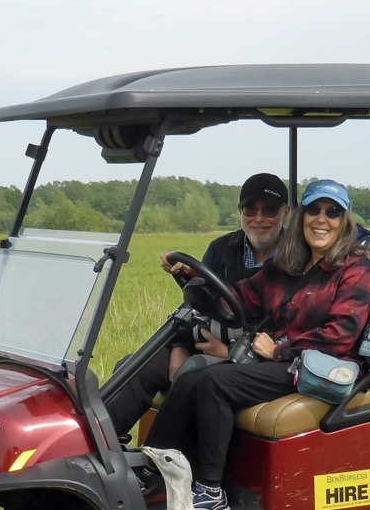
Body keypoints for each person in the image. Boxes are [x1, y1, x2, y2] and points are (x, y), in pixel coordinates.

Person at [144, 179, 370, 510]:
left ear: (344, 222)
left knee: (215, 382)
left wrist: (279, 349)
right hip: (286, 362)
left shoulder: (355, 267)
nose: (321, 219)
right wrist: (194, 276)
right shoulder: (290, 263)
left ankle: (210, 492)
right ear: (300, 217)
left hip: (320, 369)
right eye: (313, 210)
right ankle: (153, 474)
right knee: (193, 378)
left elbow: (340, 336)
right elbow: (241, 298)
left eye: (333, 212)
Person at [104, 173, 290, 437]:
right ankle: (98, 449)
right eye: (250, 208)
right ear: (240, 210)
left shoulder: (296, 257)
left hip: (258, 360)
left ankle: (166, 465)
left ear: (285, 212)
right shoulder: (222, 248)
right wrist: (180, 346)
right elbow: (196, 303)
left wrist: (227, 352)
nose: (259, 218)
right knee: (133, 366)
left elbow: (292, 326)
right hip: (208, 342)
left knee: (194, 376)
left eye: (269, 210)